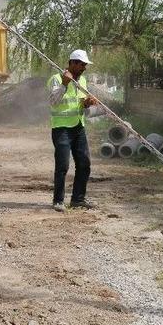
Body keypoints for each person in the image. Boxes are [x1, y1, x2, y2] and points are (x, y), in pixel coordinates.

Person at [47, 49, 97, 212]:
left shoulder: (82, 81)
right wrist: (64, 83)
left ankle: (78, 199)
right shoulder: (56, 79)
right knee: (62, 165)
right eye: (82, 65)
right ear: (72, 63)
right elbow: (53, 101)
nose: (84, 68)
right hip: (61, 128)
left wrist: (87, 103)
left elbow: (79, 104)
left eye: (85, 65)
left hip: (78, 126)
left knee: (84, 164)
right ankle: (58, 201)